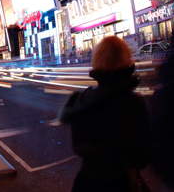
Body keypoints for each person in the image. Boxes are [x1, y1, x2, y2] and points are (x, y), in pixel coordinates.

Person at [59, 36, 151, 192]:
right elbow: (141, 157)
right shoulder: (134, 103)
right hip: (121, 183)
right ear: (126, 60)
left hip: (86, 183)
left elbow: (79, 144)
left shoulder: (82, 99)